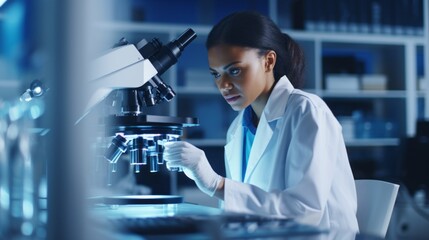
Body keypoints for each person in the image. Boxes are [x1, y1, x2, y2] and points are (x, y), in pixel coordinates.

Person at [163, 11, 359, 232]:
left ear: (268, 61)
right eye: (216, 74)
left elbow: (304, 211)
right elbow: (241, 210)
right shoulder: (237, 129)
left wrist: (216, 184)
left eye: (234, 70)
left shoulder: (307, 111)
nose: (224, 85)